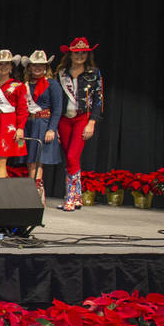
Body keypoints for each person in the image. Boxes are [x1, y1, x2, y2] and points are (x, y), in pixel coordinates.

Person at [56, 37, 104, 211]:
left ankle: (70, 196)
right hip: (63, 119)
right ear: (70, 54)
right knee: (69, 157)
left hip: (82, 118)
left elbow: (98, 101)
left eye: (83, 52)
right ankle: (77, 197)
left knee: (72, 157)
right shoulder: (61, 73)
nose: (80, 56)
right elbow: (55, 100)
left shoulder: (94, 73)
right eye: (76, 53)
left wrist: (91, 123)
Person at [21, 50, 63, 206]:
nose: (37, 68)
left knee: (37, 161)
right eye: (34, 65)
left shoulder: (52, 84)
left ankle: (37, 193)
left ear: (46, 67)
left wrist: (52, 129)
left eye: (41, 65)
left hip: (43, 123)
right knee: (30, 161)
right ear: (30, 67)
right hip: (28, 124)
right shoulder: (24, 85)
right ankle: (34, 191)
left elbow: (58, 109)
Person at [0, 50, 28, 178]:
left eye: (6, 64)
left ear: (11, 67)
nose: (3, 67)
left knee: (1, 160)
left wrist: (20, 128)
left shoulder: (18, 86)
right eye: (0, 64)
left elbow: (22, 109)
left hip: (8, 124)